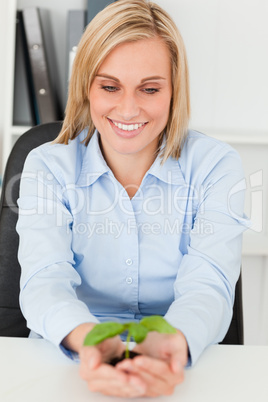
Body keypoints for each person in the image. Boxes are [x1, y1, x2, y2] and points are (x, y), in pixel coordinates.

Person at [17, 0, 249, 398]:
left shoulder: (216, 166)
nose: (128, 108)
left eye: (150, 88)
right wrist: (92, 342)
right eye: (109, 86)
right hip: (70, 361)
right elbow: (45, 280)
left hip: (178, 361)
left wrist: (170, 344)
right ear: (86, 87)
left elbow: (207, 285)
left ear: (175, 89)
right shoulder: (47, 166)